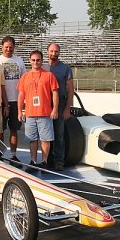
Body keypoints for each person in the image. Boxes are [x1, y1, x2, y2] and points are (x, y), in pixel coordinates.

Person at [17, 49, 59, 173]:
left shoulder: (49, 75)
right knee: (32, 139)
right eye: (33, 60)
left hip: (45, 113)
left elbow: (55, 93)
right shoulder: (25, 76)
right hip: (30, 113)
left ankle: (44, 162)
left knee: (45, 139)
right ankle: (33, 162)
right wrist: (20, 111)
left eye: (38, 60)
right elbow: (21, 95)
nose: (36, 62)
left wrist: (55, 109)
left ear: (42, 61)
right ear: (30, 61)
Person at [0, 36, 26, 166]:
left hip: (15, 100)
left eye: (11, 47)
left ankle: (13, 156)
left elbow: (24, 79)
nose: (8, 49)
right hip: (0, 101)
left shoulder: (19, 60)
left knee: (14, 130)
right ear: (2, 47)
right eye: (6, 47)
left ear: (14, 47)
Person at [47, 42, 74, 171]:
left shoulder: (66, 69)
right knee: (45, 133)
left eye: (56, 51)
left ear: (59, 53)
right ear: (48, 52)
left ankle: (59, 161)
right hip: (45, 104)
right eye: (52, 51)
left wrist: (67, 108)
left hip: (60, 104)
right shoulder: (43, 67)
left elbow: (70, 89)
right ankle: (46, 159)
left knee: (59, 134)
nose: (54, 54)